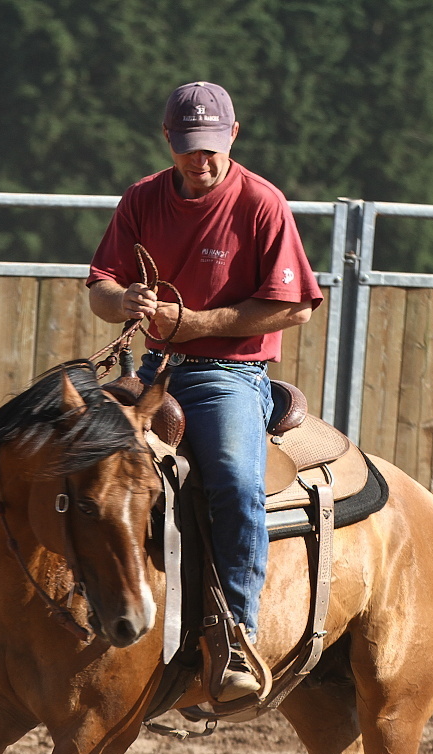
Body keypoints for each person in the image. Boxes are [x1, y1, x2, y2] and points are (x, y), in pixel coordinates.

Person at [85, 81, 322, 702]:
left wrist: (199, 324)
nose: (202, 160)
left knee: (235, 483)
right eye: (190, 147)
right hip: (156, 366)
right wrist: (122, 302)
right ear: (170, 141)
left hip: (229, 374)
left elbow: (293, 307)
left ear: (233, 138)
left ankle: (236, 633)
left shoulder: (262, 203)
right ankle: (83, 604)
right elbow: (101, 286)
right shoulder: (141, 199)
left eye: (213, 147)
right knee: (79, 456)